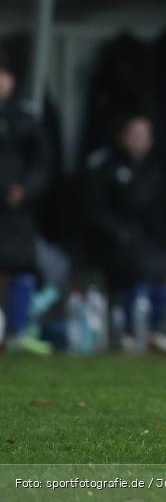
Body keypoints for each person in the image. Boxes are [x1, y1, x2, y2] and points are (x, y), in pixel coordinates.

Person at [81, 114, 166, 353]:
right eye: (135, 135)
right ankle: (129, 330)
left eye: (145, 136)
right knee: (137, 269)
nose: (140, 141)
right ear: (122, 137)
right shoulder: (106, 166)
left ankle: (153, 330)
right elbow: (93, 209)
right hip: (114, 241)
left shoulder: (157, 169)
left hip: (147, 241)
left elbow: (163, 213)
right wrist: (118, 233)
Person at [0, 50, 53, 354]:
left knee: (22, 268)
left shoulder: (26, 118)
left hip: (17, 209)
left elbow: (43, 162)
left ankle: (19, 331)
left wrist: (26, 190)